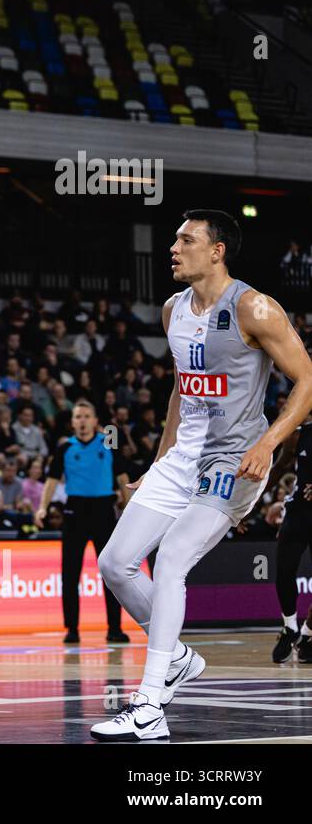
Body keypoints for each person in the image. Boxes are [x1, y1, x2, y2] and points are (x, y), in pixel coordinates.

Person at [92, 210, 312, 742]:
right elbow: (181, 389)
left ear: (217, 251)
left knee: (170, 562)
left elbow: (307, 381)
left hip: (234, 460)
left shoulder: (255, 308)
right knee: (115, 562)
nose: (174, 247)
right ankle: (179, 657)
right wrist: (159, 461)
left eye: (186, 240)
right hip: (183, 458)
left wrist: (267, 443)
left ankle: (149, 705)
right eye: (174, 239)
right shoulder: (173, 310)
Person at [38, 399, 129, 644]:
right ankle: (72, 629)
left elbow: (122, 477)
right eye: (78, 417)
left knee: (110, 572)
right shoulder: (65, 447)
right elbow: (52, 480)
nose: (82, 421)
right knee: (70, 574)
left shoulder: (109, 442)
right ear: (72, 422)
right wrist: (42, 508)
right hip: (75, 512)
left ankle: (115, 627)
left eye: (86, 416)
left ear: (96, 420)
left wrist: (130, 507)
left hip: (103, 511)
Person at [271, 416, 312, 662]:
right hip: (298, 512)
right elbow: (278, 469)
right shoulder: (297, 434)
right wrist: (246, 506)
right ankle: (290, 626)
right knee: (284, 571)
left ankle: (308, 633)